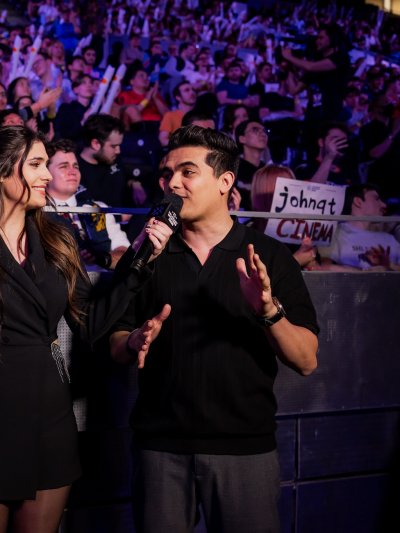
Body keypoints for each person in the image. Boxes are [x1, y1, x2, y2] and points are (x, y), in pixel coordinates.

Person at [0, 126, 173, 533]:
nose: (48, 175)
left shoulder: (58, 239)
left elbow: (91, 324)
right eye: (35, 164)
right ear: (1, 171)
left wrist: (139, 261)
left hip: (48, 416)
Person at [109, 125, 319, 533]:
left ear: (225, 182)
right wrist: (134, 340)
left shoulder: (268, 255)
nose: (172, 183)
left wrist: (268, 310)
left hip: (245, 448)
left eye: (187, 172)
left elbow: (306, 360)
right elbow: (114, 342)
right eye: (167, 174)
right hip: (160, 447)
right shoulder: (147, 252)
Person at [46, 139, 131, 270]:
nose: (73, 171)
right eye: (64, 166)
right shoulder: (36, 213)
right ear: (45, 173)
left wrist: (102, 258)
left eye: (75, 166)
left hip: (102, 280)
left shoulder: (98, 208)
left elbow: (125, 252)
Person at [318, 184, 400, 271]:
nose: (384, 205)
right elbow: (324, 268)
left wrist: (389, 266)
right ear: (358, 201)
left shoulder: (390, 239)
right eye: (376, 199)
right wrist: (368, 272)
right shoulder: (335, 233)